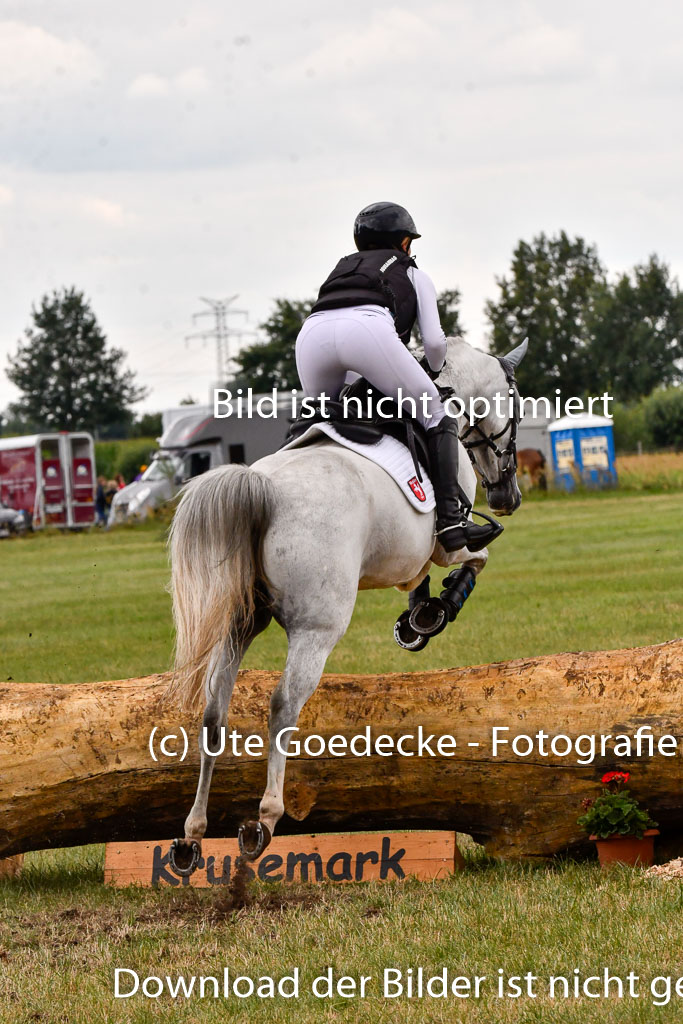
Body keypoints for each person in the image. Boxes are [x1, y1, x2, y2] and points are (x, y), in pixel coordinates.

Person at [295, 201, 501, 552]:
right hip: (366, 332)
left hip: (310, 339)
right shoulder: (414, 273)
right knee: (436, 412)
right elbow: (434, 342)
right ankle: (451, 522)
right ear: (404, 243)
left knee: (319, 420)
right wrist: (434, 372)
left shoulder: (342, 269)